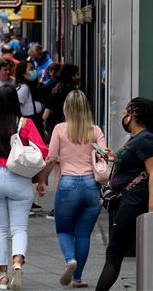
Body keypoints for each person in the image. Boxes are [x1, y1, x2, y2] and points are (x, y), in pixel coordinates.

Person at [0, 85, 48, 290]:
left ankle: (3, 276)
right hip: (19, 178)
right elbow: (40, 152)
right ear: (16, 101)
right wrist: (41, 181)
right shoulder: (26, 124)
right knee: (19, 227)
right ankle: (17, 262)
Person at [35, 90, 106, 288]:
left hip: (68, 185)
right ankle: (77, 278)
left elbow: (51, 158)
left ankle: (70, 260)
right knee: (83, 234)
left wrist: (42, 179)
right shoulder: (95, 130)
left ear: (66, 107)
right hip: (92, 187)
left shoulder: (59, 129)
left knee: (64, 229)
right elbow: (104, 156)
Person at [94, 98, 153, 291]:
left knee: (114, 252)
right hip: (127, 201)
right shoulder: (137, 138)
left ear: (134, 114)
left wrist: (152, 209)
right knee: (120, 251)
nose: (123, 116)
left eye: (125, 112)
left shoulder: (147, 139)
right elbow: (135, 164)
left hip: (134, 202)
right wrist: (114, 157)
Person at [43, 64, 80, 136]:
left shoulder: (55, 90)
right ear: (71, 77)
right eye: (77, 75)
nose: (79, 77)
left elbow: (45, 115)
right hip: (72, 130)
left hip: (56, 129)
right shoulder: (76, 94)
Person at [15, 61, 45, 139]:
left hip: (35, 121)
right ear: (23, 73)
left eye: (34, 68)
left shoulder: (30, 86)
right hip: (30, 122)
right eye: (31, 69)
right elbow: (15, 106)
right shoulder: (24, 88)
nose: (34, 71)